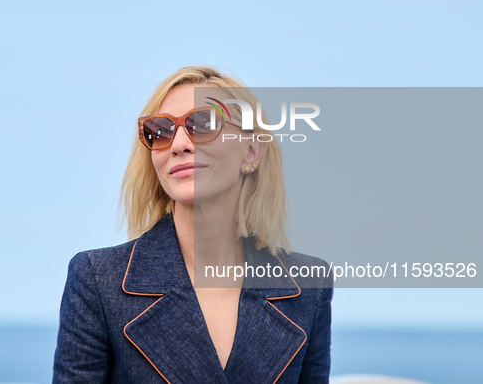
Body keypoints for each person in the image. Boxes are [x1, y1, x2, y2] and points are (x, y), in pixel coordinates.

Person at [52, 66, 332, 383]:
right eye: (160, 130)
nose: (178, 144)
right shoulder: (98, 278)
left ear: (252, 150)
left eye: (203, 123)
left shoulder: (308, 286)